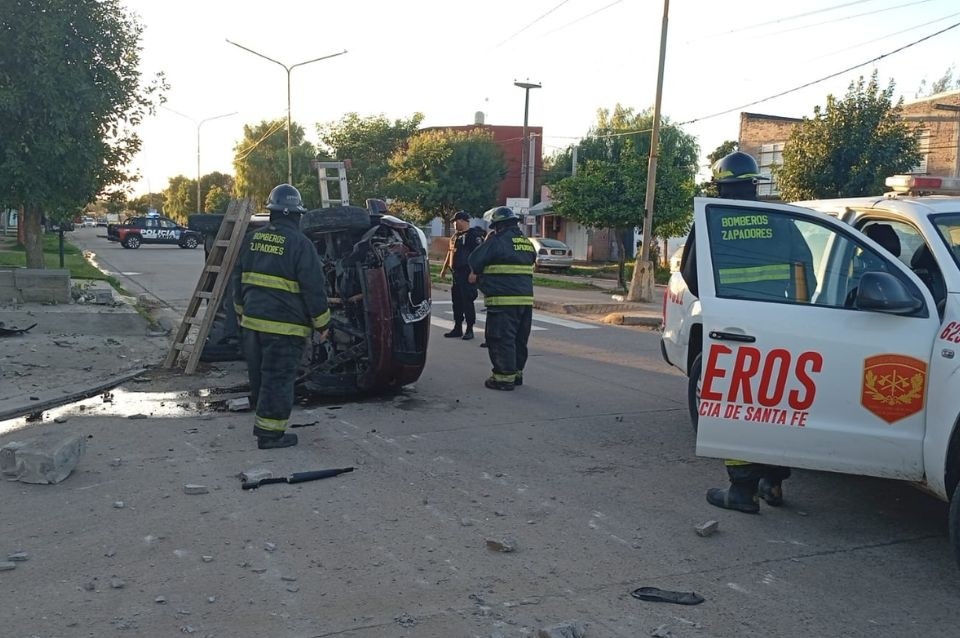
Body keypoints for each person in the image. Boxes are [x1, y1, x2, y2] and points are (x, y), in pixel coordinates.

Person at [703, 151, 795, 512]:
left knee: (736, 407)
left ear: (721, 185)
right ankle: (773, 483)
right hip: (784, 325)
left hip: (734, 327)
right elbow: (808, 273)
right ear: (754, 183)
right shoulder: (781, 218)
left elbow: (695, 274)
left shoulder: (712, 220)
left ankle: (741, 492)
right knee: (774, 405)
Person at [231, 184, 331, 450]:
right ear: (296, 215)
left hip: (252, 325)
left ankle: (264, 424)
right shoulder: (301, 244)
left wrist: (241, 312)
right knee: (279, 380)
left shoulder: (253, 239)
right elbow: (314, 289)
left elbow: (237, 280)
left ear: (272, 212)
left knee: (261, 378)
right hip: (285, 329)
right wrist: (323, 324)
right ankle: (270, 435)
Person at [468, 206, 535, 391]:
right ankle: (516, 373)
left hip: (503, 301)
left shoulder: (497, 241)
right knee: (519, 339)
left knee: (501, 338)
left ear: (498, 226)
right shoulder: (526, 243)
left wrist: (488, 242)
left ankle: (503, 379)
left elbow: (475, 260)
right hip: (525, 301)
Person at [439, 210, 484, 340]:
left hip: (467, 273)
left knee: (467, 302)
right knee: (456, 302)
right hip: (457, 274)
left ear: (463, 221)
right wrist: (444, 268)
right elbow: (450, 252)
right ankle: (457, 327)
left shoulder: (473, 236)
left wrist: (474, 272)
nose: (454, 224)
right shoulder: (455, 237)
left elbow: (479, 255)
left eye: (456, 221)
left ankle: (470, 329)